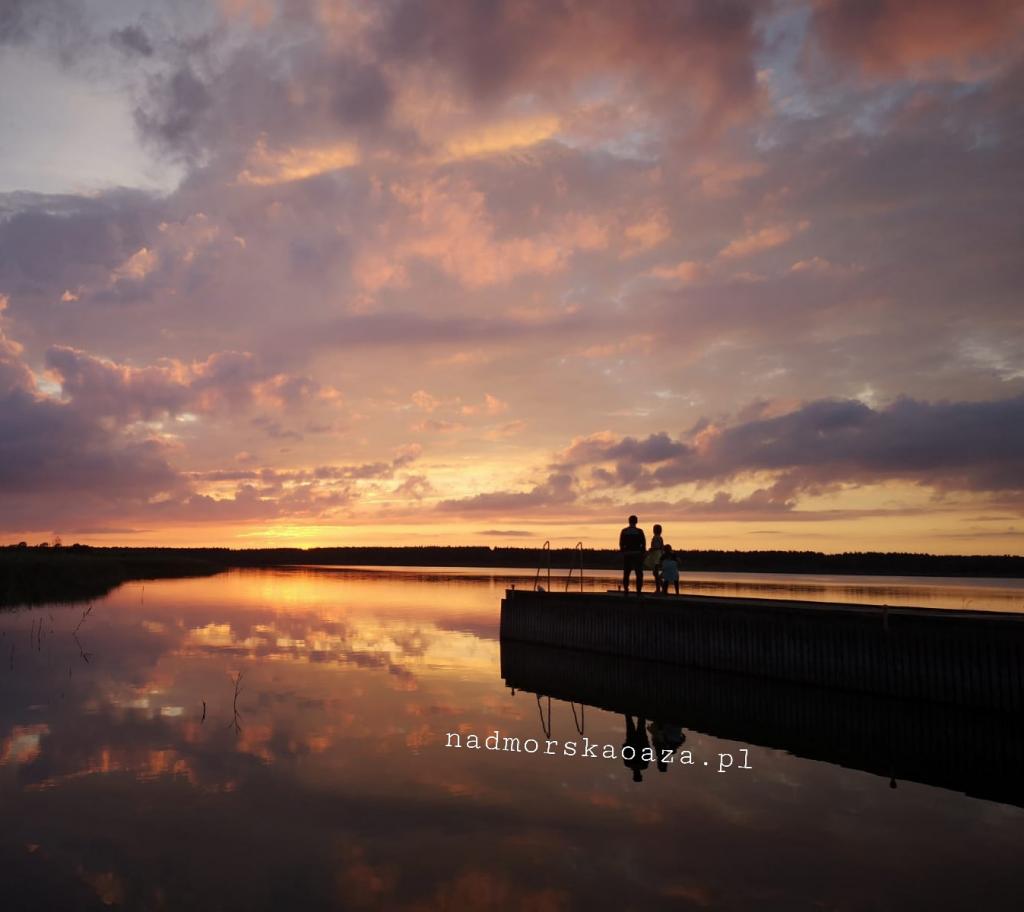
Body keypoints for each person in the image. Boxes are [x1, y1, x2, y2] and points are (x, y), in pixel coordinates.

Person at [619, 515, 646, 594]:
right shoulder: (640, 531)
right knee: (639, 573)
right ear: (636, 521)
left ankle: (626, 589)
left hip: (627, 554)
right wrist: (642, 552)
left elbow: (621, 543)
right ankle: (638, 591)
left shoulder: (624, 531)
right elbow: (643, 543)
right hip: (637, 554)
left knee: (626, 573)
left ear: (629, 521)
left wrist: (623, 551)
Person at [644, 523, 664, 592]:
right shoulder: (659, 537)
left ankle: (660, 588)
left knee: (655, 572)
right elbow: (661, 547)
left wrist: (651, 549)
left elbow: (657, 547)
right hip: (657, 555)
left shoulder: (656, 537)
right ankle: (661, 587)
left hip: (656, 555)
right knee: (655, 573)